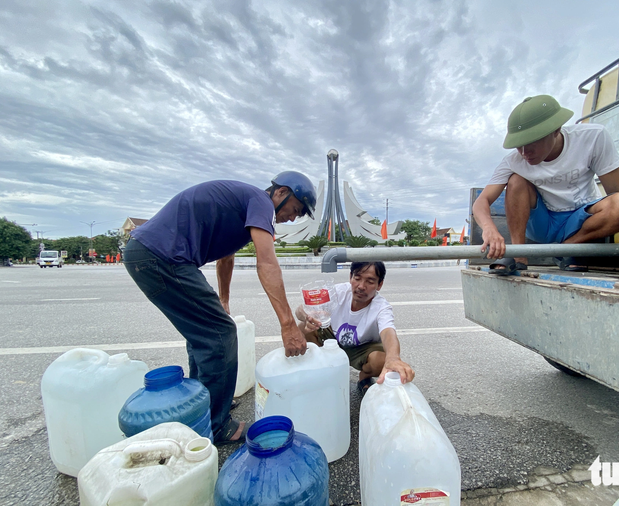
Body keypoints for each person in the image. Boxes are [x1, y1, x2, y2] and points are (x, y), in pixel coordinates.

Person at [123, 172, 317, 445]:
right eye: (295, 209)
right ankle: (218, 424)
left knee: (204, 333)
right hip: (162, 257)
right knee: (220, 334)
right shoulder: (261, 202)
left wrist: (223, 299)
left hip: (150, 255)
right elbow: (267, 263)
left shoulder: (245, 204)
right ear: (280, 192)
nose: (293, 218)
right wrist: (287, 325)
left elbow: (226, 256)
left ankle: (203, 406)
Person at [472, 94, 619, 274]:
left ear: (556, 130)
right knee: (516, 180)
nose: (524, 153)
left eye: (532, 144)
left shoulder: (593, 137)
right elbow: (482, 202)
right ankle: (518, 256)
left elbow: (617, 189)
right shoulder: (514, 161)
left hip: (583, 220)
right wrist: (489, 228)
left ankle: (569, 249)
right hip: (545, 223)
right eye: (519, 146)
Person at [295, 261, 414, 394]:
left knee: (382, 361)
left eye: (370, 281)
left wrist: (393, 359)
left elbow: (388, 333)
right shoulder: (337, 292)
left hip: (362, 348)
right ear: (351, 277)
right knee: (302, 329)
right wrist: (306, 315)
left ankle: (365, 377)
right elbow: (301, 309)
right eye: (357, 278)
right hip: (332, 339)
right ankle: (323, 369)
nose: (361, 286)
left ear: (379, 285)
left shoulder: (381, 307)